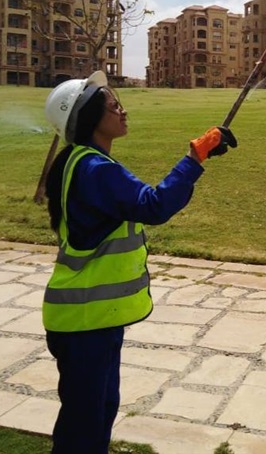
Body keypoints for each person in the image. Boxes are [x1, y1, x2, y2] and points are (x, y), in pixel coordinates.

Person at [41, 70, 237, 454]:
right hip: (84, 321)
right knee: (85, 424)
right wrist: (194, 157)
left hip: (91, 318)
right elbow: (153, 205)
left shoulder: (83, 162)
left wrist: (197, 158)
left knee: (97, 413)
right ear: (89, 118)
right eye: (113, 106)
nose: (123, 111)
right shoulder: (94, 169)